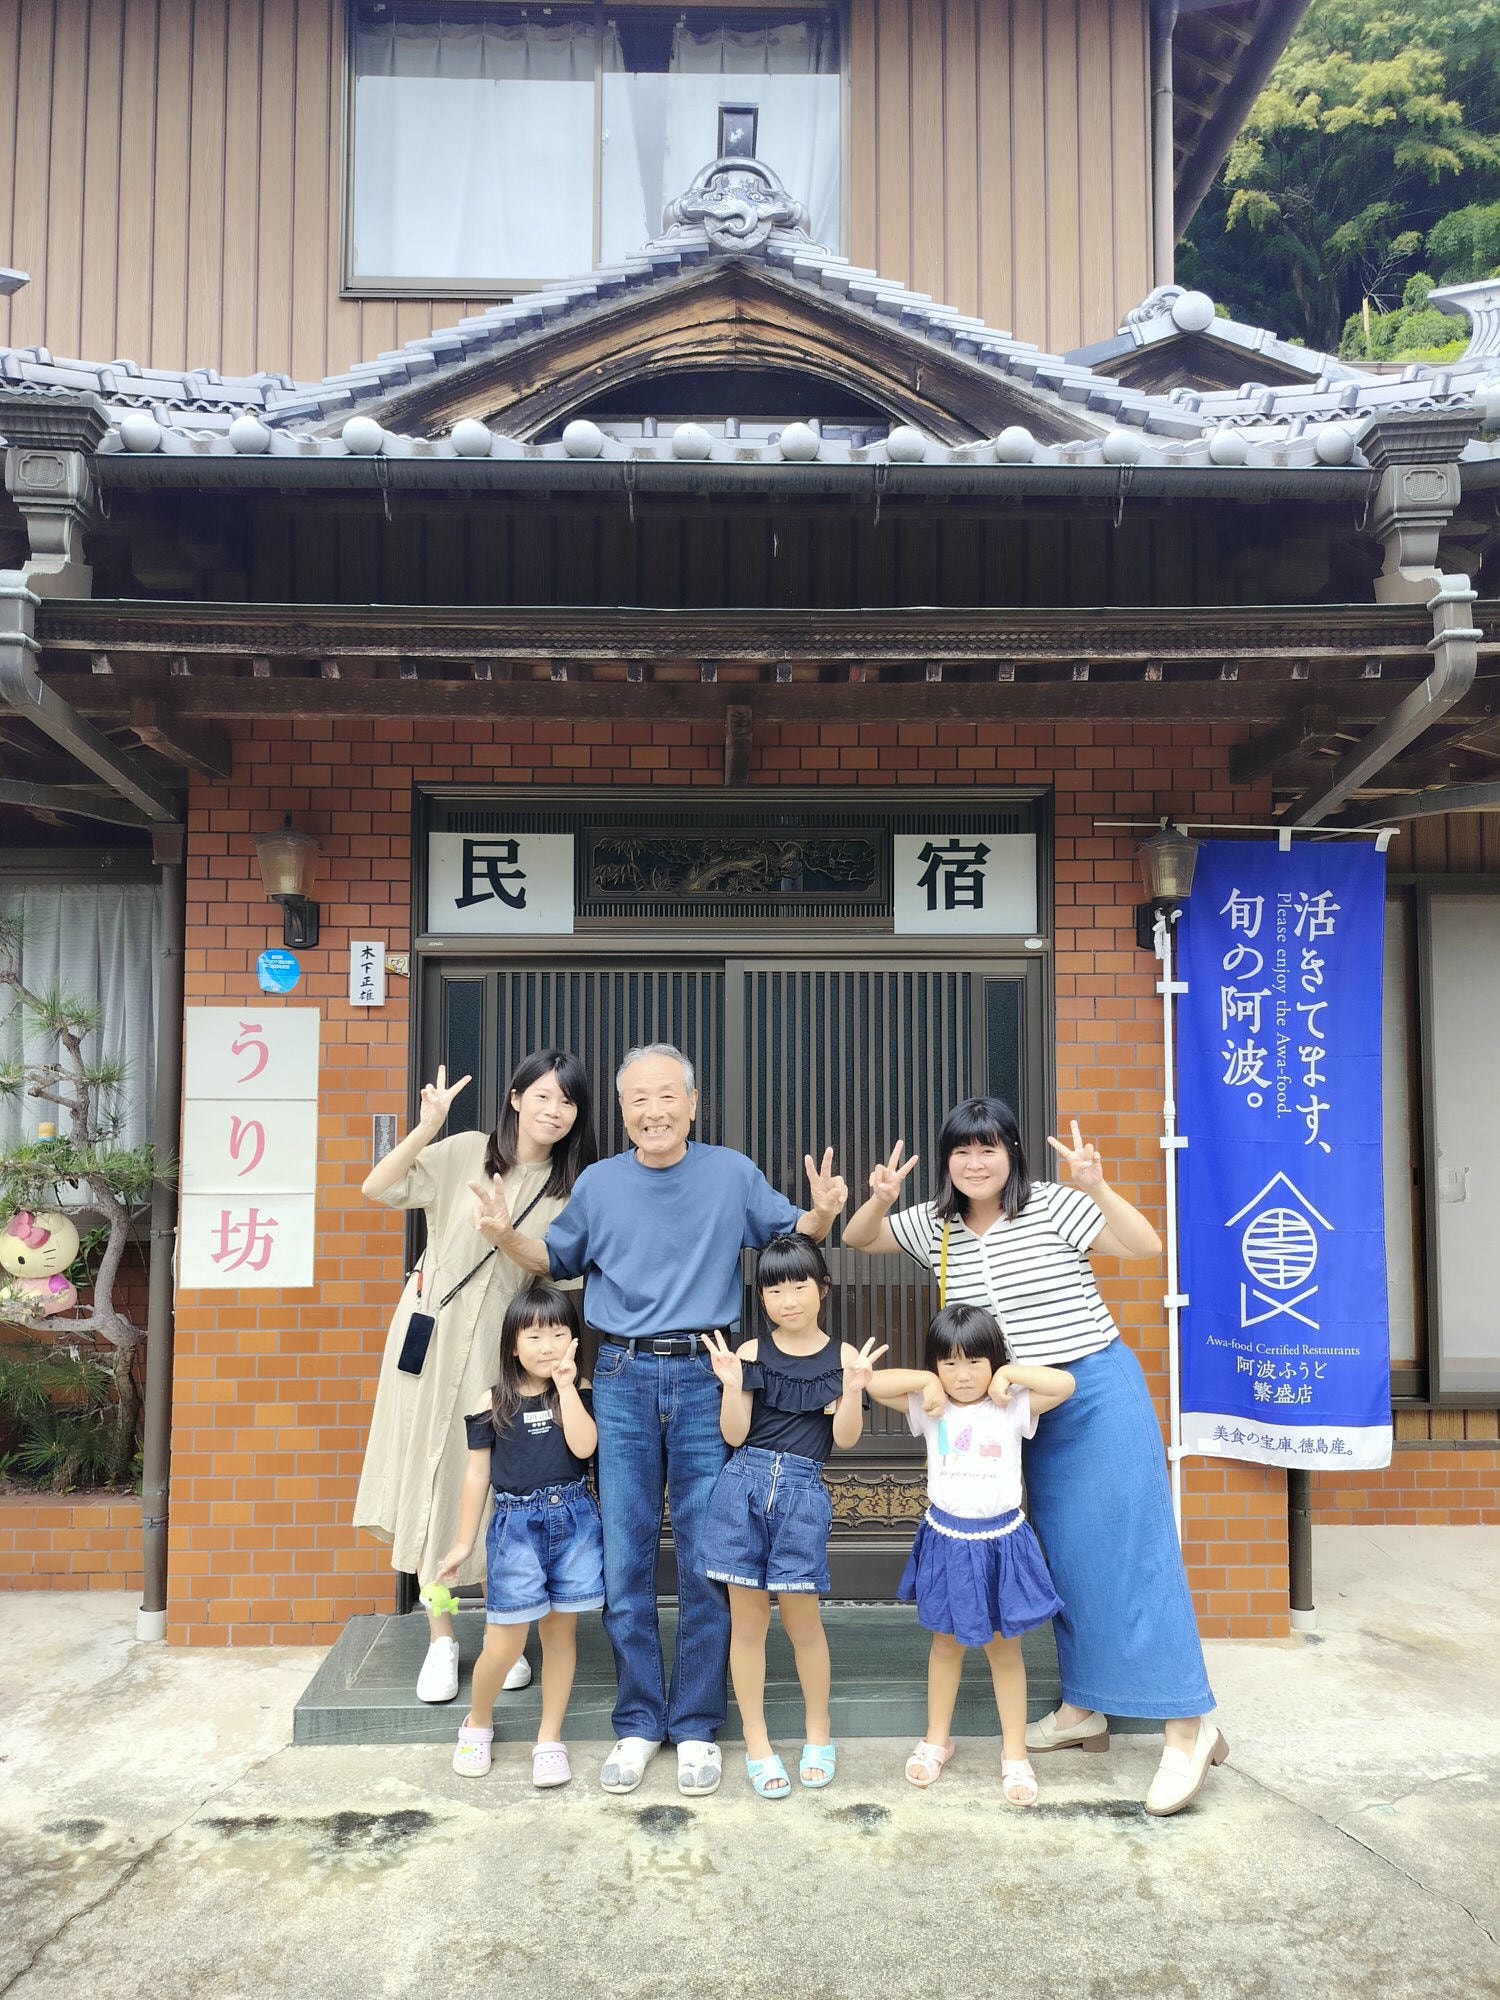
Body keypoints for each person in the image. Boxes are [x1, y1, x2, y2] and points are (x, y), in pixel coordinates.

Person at [469, 1041, 848, 1798]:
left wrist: (825, 1210)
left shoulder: (731, 1172)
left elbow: (793, 1233)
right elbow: (552, 1256)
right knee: (625, 1556)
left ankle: (700, 1724)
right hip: (620, 1375)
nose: (653, 1110)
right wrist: (503, 1235)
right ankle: (641, 1722)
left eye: (668, 1095)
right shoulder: (603, 1184)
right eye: (638, 1099)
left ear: (694, 1104)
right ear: (622, 1111)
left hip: (712, 1375)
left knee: (715, 1553)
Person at [843, 1099, 1228, 1818]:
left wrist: (1098, 1185)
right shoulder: (937, 1224)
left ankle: (1187, 1726)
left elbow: (1144, 1247)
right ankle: (1088, 1706)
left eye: (990, 1147)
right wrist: (880, 1199)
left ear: (1014, 1153)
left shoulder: (1053, 1204)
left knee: (1134, 1550)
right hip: (1009, 1410)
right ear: (948, 1159)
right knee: (1066, 1557)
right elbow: (862, 1240)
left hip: (1089, 1389)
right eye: (962, 1150)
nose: (976, 1162)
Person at [355, 1051, 596, 1705]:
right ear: (516, 1097)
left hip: (499, 1351)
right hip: (427, 1338)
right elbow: (377, 1188)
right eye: (543, 1096)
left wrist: (507, 1238)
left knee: (496, 1490)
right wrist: (426, 1127)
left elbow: (563, 1277)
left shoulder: (570, 1191)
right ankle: (440, 1635)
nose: (554, 1110)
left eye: (567, 1102)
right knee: (429, 1486)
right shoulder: (463, 1152)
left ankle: (502, 1630)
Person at [698, 1237, 884, 1800]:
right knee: (748, 1626)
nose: (788, 1299)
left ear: (822, 1289)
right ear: (763, 1297)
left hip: (803, 1494)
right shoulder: (750, 1352)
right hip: (742, 1488)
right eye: (775, 1289)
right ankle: (756, 1739)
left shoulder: (847, 1358)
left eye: (800, 1285)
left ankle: (817, 1734)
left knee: (805, 1625)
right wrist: (732, 1386)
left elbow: (845, 1439)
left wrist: (852, 1392)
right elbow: (734, 1435)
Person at [866, 1302, 1072, 1805]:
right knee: (945, 1645)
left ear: (993, 1361)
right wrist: (923, 1381)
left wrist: (1008, 1374)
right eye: (950, 1363)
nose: (962, 1375)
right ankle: (938, 1740)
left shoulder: (1013, 1404)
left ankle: (1015, 1754)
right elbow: (872, 1383)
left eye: (975, 1362)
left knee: (1006, 1651)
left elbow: (1064, 1385)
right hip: (948, 1542)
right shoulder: (930, 1405)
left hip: (1002, 1543)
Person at [436, 1285, 603, 1786]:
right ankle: (478, 1721)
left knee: (560, 1637)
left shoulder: (579, 1389)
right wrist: (464, 1544)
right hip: (515, 1529)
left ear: (574, 1340)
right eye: (534, 1335)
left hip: (574, 1521)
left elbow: (585, 1446)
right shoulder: (493, 1400)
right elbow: (475, 1475)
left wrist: (569, 1387)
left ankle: (548, 1738)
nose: (547, 1345)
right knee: (504, 1647)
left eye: (558, 1333)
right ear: (513, 1344)